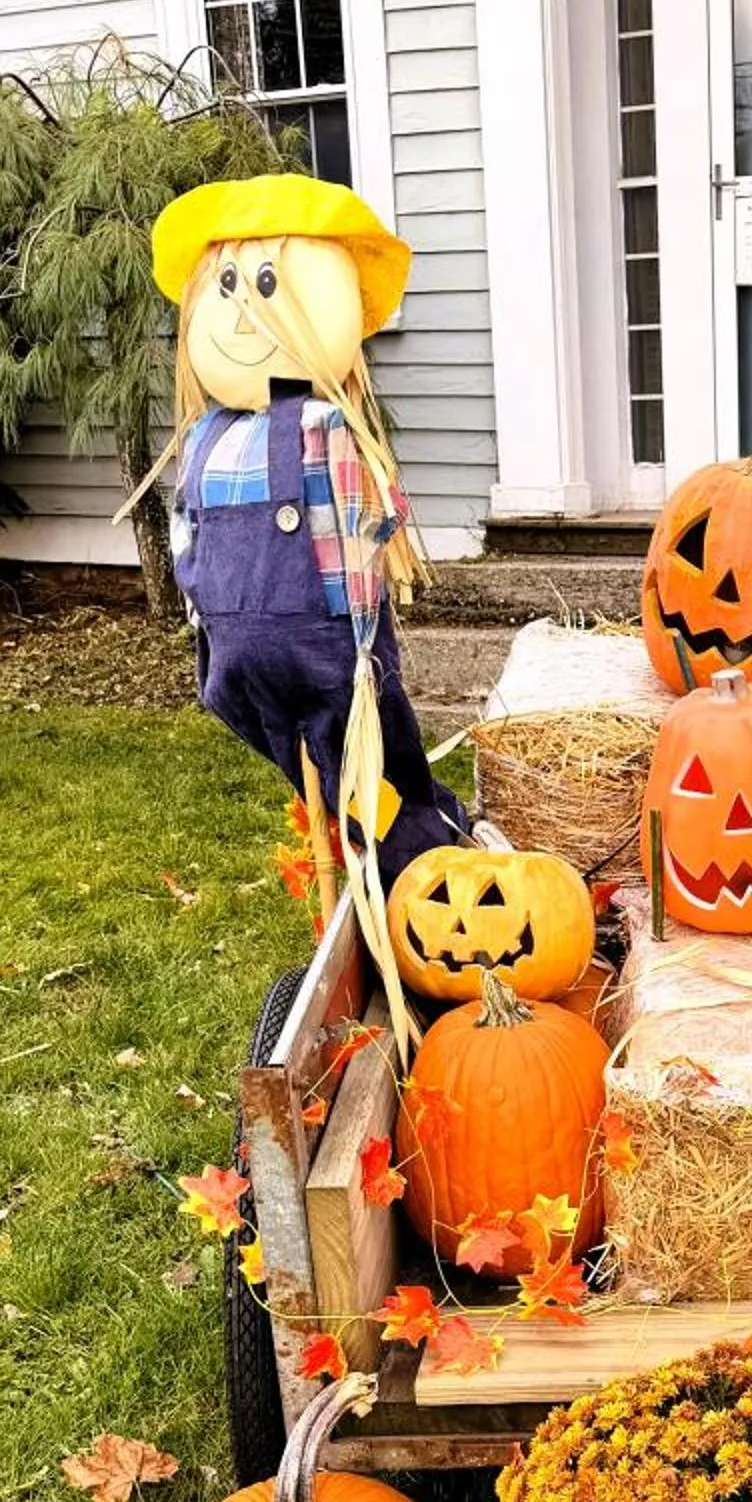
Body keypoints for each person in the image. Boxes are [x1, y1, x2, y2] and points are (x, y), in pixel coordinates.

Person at [147, 175, 466, 1004]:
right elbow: (190, 533)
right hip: (236, 661)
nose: (247, 312)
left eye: (265, 286)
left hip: (332, 656)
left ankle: (428, 899)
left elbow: (367, 536)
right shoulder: (205, 439)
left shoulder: (326, 430)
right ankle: (363, 905)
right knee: (317, 793)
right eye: (227, 288)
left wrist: (365, 646)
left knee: (375, 789)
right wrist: (199, 607)